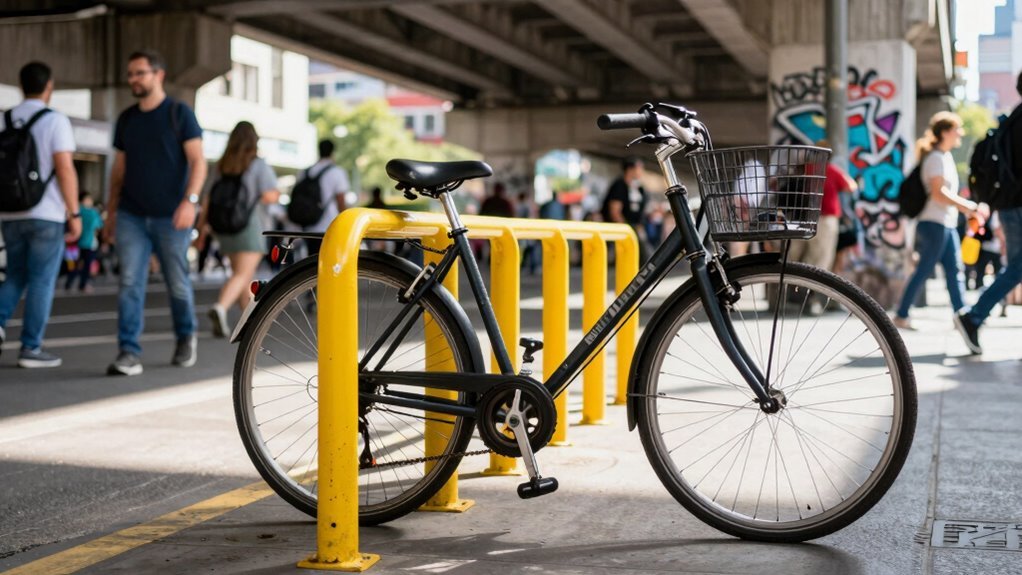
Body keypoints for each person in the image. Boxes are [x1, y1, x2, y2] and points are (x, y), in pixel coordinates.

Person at [102, 50, 206, 376]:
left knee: (177, 283)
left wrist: (190, 201)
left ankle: (186, 335)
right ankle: (128, 352)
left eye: (140, 73)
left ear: (158, 75)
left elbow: (198, 162)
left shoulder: (179, 113)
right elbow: (119, 168)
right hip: (131, 214)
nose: (133, 79)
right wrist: (111, 211)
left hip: (171, 215)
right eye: (130, 74)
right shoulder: (127, 119)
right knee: (130, 282)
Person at [0, 61, 80, 368]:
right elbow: (64, 169)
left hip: (10, 212)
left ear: (21, 86)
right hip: (45, 213)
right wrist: (74, 213)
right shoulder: (54, 120)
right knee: (41, 280)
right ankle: (31, 348)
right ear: (49, 86)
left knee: (15, 276)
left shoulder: (5, 119)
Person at [894, 112, 987, 331]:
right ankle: (901, 315)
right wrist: (968, 206)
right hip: (933, 223)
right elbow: (938, 193)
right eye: (957, 129)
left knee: (954, 270)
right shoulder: (935, 157)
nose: (960, 134)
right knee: (925, 269)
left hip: (945, 223)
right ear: (945, 132)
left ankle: (961, 315)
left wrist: (963, 210)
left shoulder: (944, 157)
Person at [955, 74, 1022, 353]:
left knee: (1016, 269)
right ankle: (973, 316)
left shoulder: (1010, 121)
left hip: (1008, 206)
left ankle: (974, 317)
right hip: (1019, 206)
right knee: (1017, 269)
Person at [198, 121, 279, 337]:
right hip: (249, 226)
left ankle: (250, 326)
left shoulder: (221, 166)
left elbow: (207, 199)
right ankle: (221, 307)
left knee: (243, 276)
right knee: (242, 275)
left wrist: (201, 229)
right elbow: (271, 195)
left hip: (223, 228)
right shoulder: (257, 165)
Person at [296, 139, 349, 256]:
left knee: (312, 260)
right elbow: (341, 202)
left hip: (308, 225)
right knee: (328, 259)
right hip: (328, 225)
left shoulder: (305, 172)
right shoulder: (337, 172)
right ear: (332, 152)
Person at [602, 157, 649, 258]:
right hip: (623, 228)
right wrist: (627, 229)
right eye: (639, 168)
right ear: (630, 169)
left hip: (636, 227)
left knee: (644, 254)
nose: (641, 171)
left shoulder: (639, 188)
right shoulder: (619, 186)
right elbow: (615, 212)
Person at [64, 191, 102, 292]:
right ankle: (83, 284)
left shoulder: (77, 210)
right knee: (86, 265)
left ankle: (69, 282)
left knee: (75, 264)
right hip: (89, 243)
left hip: (75, 241)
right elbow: (98, 226)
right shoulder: (93, 213)